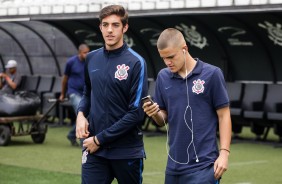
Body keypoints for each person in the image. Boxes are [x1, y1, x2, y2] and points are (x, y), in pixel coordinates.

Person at [143, 28, 232, 184]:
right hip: (173, 167)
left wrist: (224, 153)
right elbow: (163, 118)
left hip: (204, 166)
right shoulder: (163, 77)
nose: (167, 62)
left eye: (171, 57)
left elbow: (224, 115)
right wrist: (155, 113)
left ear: (184, 49)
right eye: (163, 58)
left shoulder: (212, 74)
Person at [76, 5, 148, 184]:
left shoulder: (136, 63)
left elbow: (136, 114)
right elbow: (87, 92)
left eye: (115, 25)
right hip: (94, 150)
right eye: (105, 24)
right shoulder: (91, 58)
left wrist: (99, 139)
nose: (109, 30)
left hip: (126, 150)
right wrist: (80, 114)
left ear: (125, 28)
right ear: (100, 27)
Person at [59, 44, 90, 146]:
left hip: (85, 93)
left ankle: (72, 135)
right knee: (82, 114)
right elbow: (65, 79)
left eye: (88, 52)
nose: (87, 54)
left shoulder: (90, 62)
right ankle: (83, 141)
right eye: (85, 53)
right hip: (73, 92)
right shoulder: (71, 62)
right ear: (79, 53)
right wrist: (62, 94)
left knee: (87, 115)